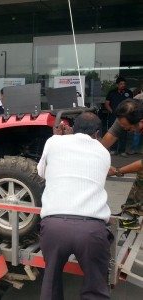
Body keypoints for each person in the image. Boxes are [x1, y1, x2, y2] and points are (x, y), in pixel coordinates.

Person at [38, 112, 112, 300]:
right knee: (96, 287)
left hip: (54, 227)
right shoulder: (103, 152)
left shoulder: (54, 142)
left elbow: (42, 172)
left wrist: (58, 137)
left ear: (73, 127)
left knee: (51, 283)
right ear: (97, 133)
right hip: (91, 230)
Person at [102, 99, 143, 229]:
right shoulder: (126, 115)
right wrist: (96, 159)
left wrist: (118, 171)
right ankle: (130, 213)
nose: (125, 129)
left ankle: (131, 213)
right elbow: (106, 141)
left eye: (128, 128)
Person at [104, 76, 133, 156]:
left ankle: (122, 151)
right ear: (117, 85)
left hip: (125, 116)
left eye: (124, 84)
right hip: (114, 116)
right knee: (114, 132)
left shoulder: (129, 92)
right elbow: (107, 103)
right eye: (121, 84)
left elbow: (132, 104)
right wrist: (111, 111)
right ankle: (113, 150)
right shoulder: (112, 92)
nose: (123, 85)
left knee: (124, 133)